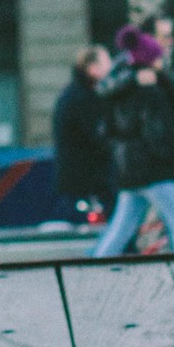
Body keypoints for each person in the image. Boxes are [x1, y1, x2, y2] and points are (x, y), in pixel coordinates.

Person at [92, 24, 174, 256]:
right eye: (158, 56)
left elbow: (108, 128)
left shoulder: (121, 87)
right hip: (154, 169)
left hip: (129, 168)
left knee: (122, 228)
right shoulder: (151, 91)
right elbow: (159, 134)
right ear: (151, 60)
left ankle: (95, 267)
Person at [54, 45, 116, 219]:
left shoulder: (76, 93)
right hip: (89, 180)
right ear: (92, 69)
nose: (110, 67)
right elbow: (100, 136)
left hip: (81, 178)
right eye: (106, 62)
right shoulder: (84, 98)